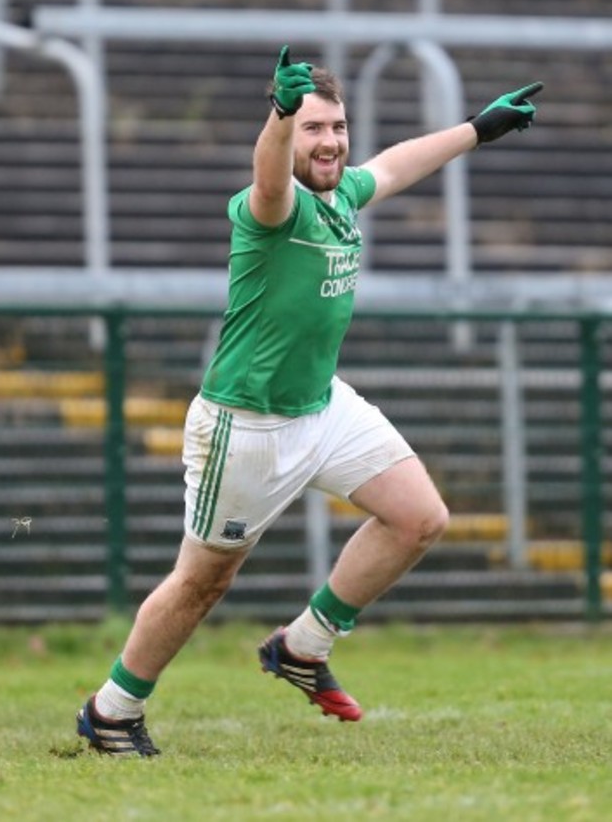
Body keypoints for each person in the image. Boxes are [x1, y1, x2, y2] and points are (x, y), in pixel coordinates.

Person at [76, 46, 543, 756]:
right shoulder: (270, 205)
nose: (328, 141)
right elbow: (268, 176)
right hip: (247, 426)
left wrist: (479, 128)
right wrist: (279, 116)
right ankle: (112, 709)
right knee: (204, 581)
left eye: (336, 127)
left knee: (420, 517)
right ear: (289, 132)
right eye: (312, 128)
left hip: (321, 407)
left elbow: (396, 164)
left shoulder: (342, 195)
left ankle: (303, 645)